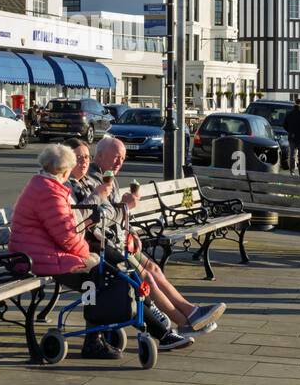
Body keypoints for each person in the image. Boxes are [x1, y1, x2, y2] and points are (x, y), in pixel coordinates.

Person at [82, 137, 226, 336]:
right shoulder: (91, 181)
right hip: (107, 247)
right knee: (146, 276)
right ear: (99, 155)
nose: (119, 162)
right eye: (116, 157)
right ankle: (184, 321)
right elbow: (98, 218)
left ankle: (191, 312)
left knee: (153, 268)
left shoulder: (109, 179)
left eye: (123, 158)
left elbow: (116, 218)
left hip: (121, 241)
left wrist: (131, 231)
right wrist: (125, 207)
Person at [61, 139, 192, 352]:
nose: (85, 161)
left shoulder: (85, 182)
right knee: (123, 276)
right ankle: (162, 328)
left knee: (127, 274)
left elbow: (106, 215)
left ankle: (164, 324)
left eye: (86, 156)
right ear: (65, 159)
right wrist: (110, 207)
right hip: (82, 249)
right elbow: (81, 221)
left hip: (98, 244)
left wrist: (118, 216)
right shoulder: (67, 187)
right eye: (78, 158)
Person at [10, 143, 119, 358]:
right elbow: (68, 237)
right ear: (65, 170)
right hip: (35, 259)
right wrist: (88, 254)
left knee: (101, 272)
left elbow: (65, 232)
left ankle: (97, 331)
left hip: (38, 253)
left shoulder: (41, 185)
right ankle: (92, 340)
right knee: (95, 276)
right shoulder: (49, 192)